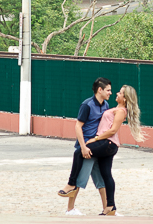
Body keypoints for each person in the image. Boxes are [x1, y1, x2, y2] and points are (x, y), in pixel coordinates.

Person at [59, 84, 145, 216]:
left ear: (125, 98)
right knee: (106, 175)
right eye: (110, 90)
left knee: (79, 152)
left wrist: (95, 139)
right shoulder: (103, 106)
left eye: (120, 93)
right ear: (100, 90)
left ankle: (70, 185)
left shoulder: (120, 111)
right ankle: (110, 207)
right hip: (107, 144)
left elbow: (113, 130)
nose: (115, 93)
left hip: (107, 143)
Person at [58, 78, 112, 214]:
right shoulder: (87, 105)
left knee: (101, 179)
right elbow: (78, 126)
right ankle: (70, 209)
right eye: (108, 90)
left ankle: (107, 209)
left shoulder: (106, 105)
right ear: (100, 90)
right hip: (87, 147)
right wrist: (83, 147)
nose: (110, 93)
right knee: (80, 178)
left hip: (97, 146)